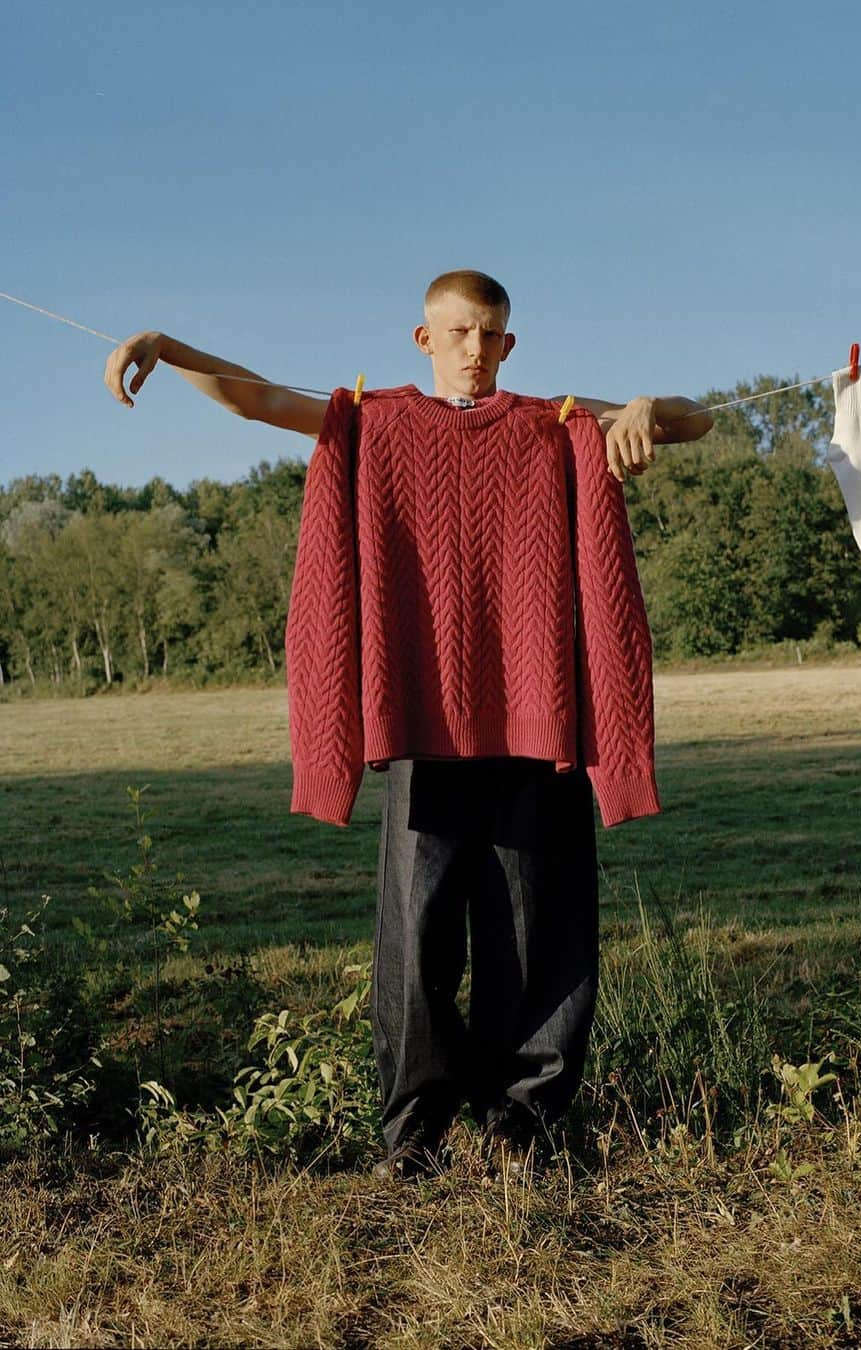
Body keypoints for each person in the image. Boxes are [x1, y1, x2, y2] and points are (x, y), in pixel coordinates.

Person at [104, 271, 714, 1179]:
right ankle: (415, 1134)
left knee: (537, 929)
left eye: (493, 335)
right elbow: (261, 400)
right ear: (423, 340)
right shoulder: (373, 419)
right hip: (419, 732)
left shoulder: (558, 421)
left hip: (538, 726)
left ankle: (527, 1127)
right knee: (415, 941)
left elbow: (695, 420)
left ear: (511, 344)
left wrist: (638, 405)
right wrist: (168, 345)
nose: (477, 350)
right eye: (461, 332)